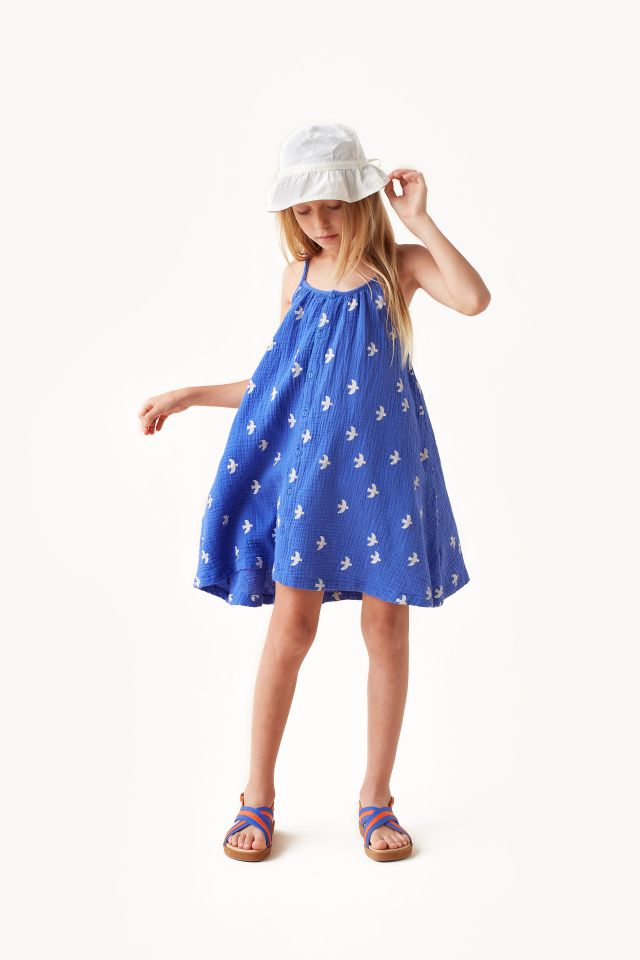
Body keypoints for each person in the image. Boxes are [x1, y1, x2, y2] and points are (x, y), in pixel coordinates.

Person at [138, 123, 491, 862]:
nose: (320, 222)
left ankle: (376, 797)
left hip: (385, 479)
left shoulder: (399, 268)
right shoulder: (296, 279)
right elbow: (278, 385)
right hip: (312, 480)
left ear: (362, 198)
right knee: (290, 629)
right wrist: (191, 394)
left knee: (386, 631)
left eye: (333, 205)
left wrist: (420, 218)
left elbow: (473, 299)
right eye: (304, 210)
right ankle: (256, 795)